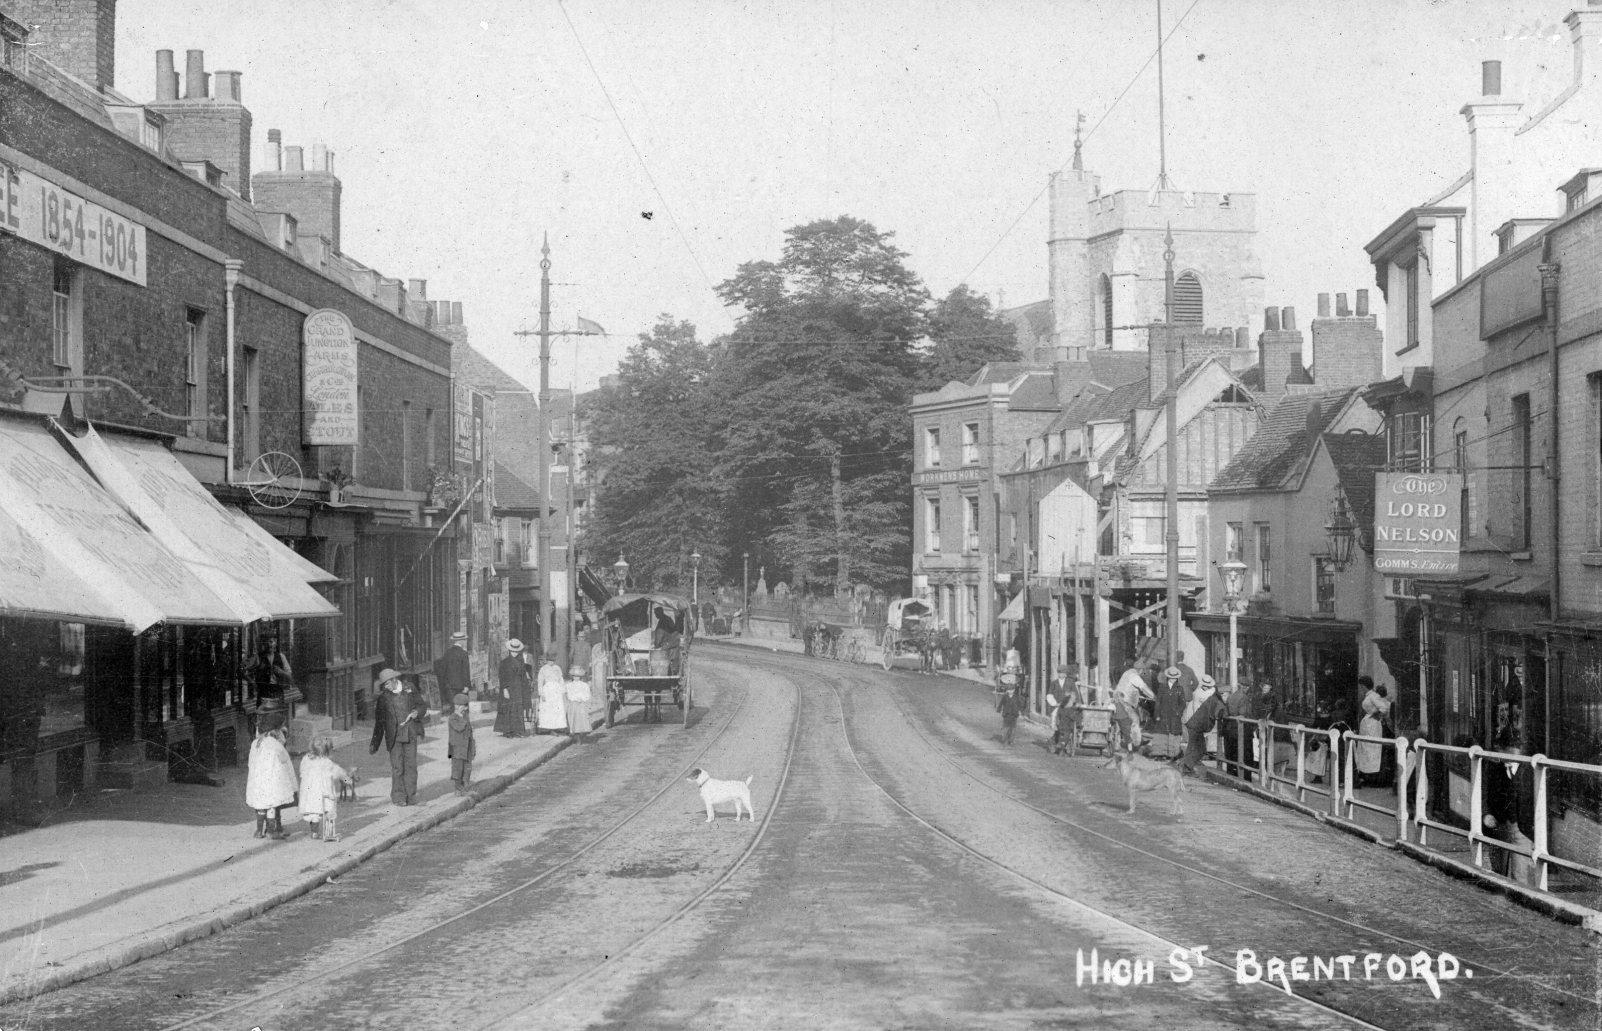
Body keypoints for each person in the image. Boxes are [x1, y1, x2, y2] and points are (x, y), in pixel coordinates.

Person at [369, 668, 428, 806]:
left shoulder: (410, 688)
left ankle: (411, 795)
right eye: (384, 685)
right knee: (397, 767)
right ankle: (399, 797)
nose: (386, 687)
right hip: (394, 736)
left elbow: (422, 706)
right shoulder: (384, 698)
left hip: (410, 733)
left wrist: (416, 712)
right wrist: (374, 744)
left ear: (394, 680)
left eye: (387, 683)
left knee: (411, 766)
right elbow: (379, 723)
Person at [246, 722, 297, 840]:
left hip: (257, 781)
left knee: (261, 806)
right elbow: (284, 759)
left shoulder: (255, 744)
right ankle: (270, 831)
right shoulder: (274, 744)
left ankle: (259, 831)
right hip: (272, 780)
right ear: (273, 732)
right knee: (272, 806)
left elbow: (250, 762)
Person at [298, 736, 352, 841]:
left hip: (309, 791)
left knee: (313, 813)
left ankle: (314, 832)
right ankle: (329, 832)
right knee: (328, 810)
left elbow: (302, 771)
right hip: (323, 792)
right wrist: (347, 778)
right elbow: (339, 772)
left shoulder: (306, 759)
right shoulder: (327, 763)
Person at [1179, 675, 1226, 776]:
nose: (1205, 686)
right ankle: (1186, 767)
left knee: (1194, 747)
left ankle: (1185, 766)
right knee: (1198, 748)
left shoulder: (1204, 691)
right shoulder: (1203, 694)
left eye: (1206, 685)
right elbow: (1200, 709)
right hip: (1196, 721)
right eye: (1204, 685)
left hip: (1194, 721)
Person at [1111, 662, 1156, 753]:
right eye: (1143, 670)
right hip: (1124, 702)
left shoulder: (1127, 673)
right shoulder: (1134, 676)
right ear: (1141, 670)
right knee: (1135, 720)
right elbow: (1143, 687)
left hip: (1118, 701)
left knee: (1121, 723)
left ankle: (1118, 744)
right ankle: (1136, 743)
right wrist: (1154, 697)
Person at [1356, 677, 1390, 788]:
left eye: (1361, 686)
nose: (1360, 688)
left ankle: (1374, 778)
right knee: (1366, 751)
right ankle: (1367, 776)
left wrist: (1375, 716)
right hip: (1367, 725)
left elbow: (1384, 707)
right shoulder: (1369, 696)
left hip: (1373, 726)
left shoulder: (1373, 696)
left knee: (1373, 750)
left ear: (1364, 685)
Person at [1222, 677, 1257, 780]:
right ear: (1245, 687)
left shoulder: (1231, 696)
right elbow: (1242, 715)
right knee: (1246, 756)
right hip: (1241, 732)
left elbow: (1226, 713)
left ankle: (1232, 776)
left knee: (1232, 756)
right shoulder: (1244, 697)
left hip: (1230, 731)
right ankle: (1245, 778)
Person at [493, 640, 530, 737]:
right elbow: (502, 677)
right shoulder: (504, 662)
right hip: (508, 688)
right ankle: (508, 731)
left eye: (516, 651)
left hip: (518, 688)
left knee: (518, 708)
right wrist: (504, 689)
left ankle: (518, 730)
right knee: (508, 708)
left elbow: (523, 677)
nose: (515, 653)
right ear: (510, 650)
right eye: (513, 651)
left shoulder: (521, 662)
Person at [1152, 666, 1187, 759]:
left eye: (1175, 678)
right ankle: (1160, 754)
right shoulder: (1162, 687)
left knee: (1174, 734)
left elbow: (1183, 703)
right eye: (1171, 677)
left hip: (1174, 716)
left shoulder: (1180, 688)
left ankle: (1173, 754)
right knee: (1162, 734)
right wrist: (1157, 714)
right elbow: (1158, 702)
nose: (1173, 679)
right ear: (1168, 677)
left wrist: (1178, 712)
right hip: (1163, 714)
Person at [447, 692, 476, 794]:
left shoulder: (465, 716)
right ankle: (458, 788)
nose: (459, 708)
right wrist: (461, 717)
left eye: (461, 706)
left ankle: (464, 786)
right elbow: (459, 728)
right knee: (457, 768)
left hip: (466, 747)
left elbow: (469, 732)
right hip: (456, 748)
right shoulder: (453, 717)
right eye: (457, 706)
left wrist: (472, 747)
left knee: (467, 767)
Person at [435, 630, 471, 709]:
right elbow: (465, 671)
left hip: (449, 686)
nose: (465, 642)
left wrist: (445, 684)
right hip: (461, 687)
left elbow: (443, 670)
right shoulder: (463, 654)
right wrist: (466, 685)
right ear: (461, 641)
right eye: (464, 640)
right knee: (462, 708)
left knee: (453, 707)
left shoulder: (447, 653)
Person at [537, 657, 567, 735]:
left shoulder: (557, 668)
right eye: (549, 660)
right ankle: (548, 728)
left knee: (556, 708)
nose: (551, 662)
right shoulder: (543, 669)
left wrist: (563, 690)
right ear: (546, 661)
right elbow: (540, 682)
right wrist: (541, 693)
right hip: (548, 690)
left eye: (553, 660)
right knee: (548, 708)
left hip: (556, 690)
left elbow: (561, 679)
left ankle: (557, 727)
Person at [564, 664, 593, 743]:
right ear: (572, 676)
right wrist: (574, 698)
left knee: (581, 720)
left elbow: (587, 694)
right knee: (574, 720)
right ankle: (576, 736)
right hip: (573, 704)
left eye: (578, 676)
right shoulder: (569, 685)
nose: (576, 678)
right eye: (574, 676)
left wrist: (582, 699)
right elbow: (569, 695)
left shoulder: (584, 685)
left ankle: (581, 734)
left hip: (581, 704)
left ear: (581, 677)